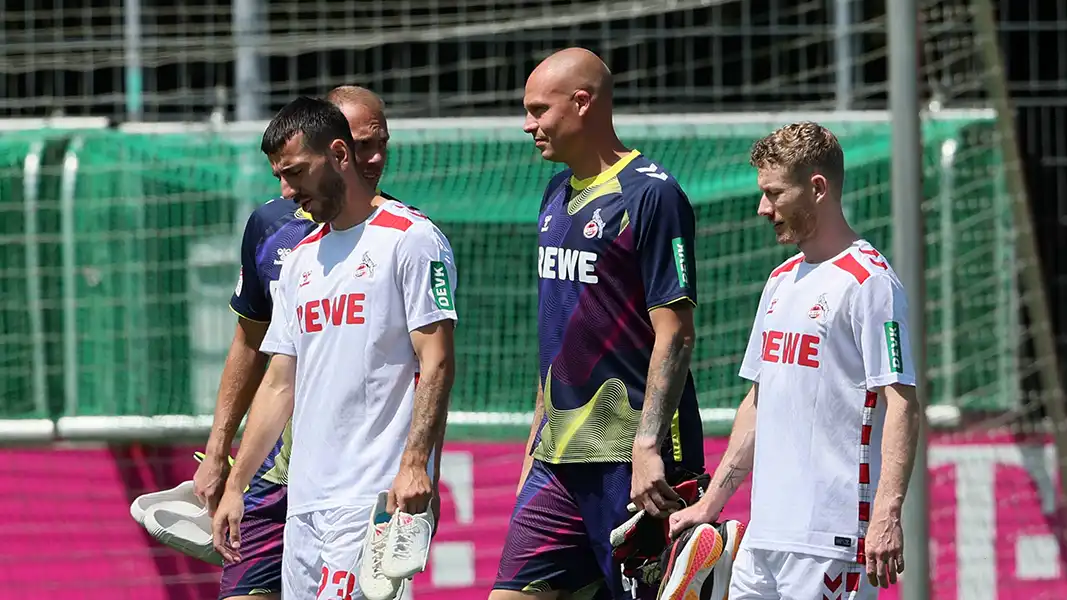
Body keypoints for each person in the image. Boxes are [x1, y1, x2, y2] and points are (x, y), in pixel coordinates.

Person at [210, 96, 457, 600]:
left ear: (339, 154)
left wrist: (416, 464)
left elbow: (437, 362)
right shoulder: (300, 259)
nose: (287, 189)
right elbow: (280, 384)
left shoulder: (411, 239)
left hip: (370, 499)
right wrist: (236, 483)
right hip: (303, 504)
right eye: (279, 175)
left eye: (296, 172)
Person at [667, 122, 921, 599]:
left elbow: (901, 403)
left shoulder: (870, 283)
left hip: (832, 540)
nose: (763, 208)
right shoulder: (781, 280)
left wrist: (886, 515)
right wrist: (711, 504)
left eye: (774, 193)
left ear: (818, 188)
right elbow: (758, 402)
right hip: (764, 539)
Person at [490, 47, 704, 600]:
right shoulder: (554, 194)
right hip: (557, 460)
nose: (528, 124)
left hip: (633, 457)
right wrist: (535, 444)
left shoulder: (652, 193)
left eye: (539, 110)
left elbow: (675, 332)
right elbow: (559, 337)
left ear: (582, 103)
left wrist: (649, 445)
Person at [191, 86, 392, 600]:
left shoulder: (402, 236)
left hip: (353, 481)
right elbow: (251, 345)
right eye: (358, 143)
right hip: (272, 470)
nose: (371, 158)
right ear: (332, 145)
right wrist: (220, 454)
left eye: (379, 144)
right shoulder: (271, 227)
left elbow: (426, 367)